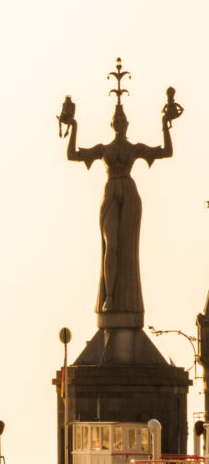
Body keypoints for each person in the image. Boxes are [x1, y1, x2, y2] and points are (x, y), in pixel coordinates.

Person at [66, 103, 173, 317]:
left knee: (128, 249)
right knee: (111, 245)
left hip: (129, 193)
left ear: (127, 123)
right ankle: (110, 297)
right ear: (112, 124)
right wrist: (73, 126)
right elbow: (72, 155)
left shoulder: (135, 149)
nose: (120, 123)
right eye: (117, 120)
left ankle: (127, 300)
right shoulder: (103, 149)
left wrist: (165, 123)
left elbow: (166, 152)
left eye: (123, 120)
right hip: (110, 191)